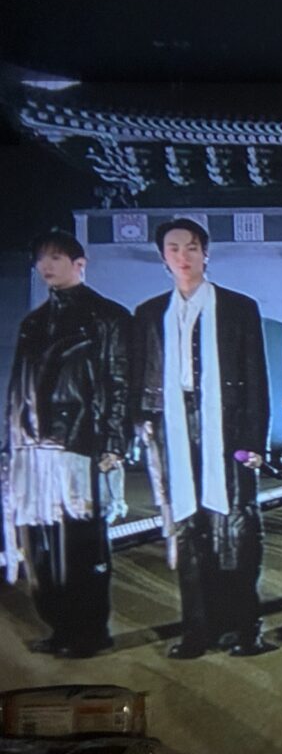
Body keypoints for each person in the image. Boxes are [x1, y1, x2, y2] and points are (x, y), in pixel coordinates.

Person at [132, 218, 271, 659]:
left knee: (236, 526)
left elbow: (256, 379)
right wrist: (142, 424)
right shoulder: (150, 313)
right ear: (163, 257)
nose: (183, 256)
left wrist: (255, 441)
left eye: (191, 247)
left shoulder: (238, 308)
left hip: (227, 426)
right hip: (174, 427)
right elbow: (141, 377)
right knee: (188, 529)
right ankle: (198, 629)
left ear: (205, 253)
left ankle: (245, 626)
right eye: (173, 249)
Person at [2, 230, 131, 658]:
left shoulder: (107, 317)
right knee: (39, 544)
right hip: (31, 446)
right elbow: (17, 388)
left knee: (79, 542)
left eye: (56, 257)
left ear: (80, 263)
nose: (46, 266)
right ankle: (59, 627)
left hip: (78, 440)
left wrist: (114, 440)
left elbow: (119, 380)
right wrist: (10, 442)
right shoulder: (34, 323)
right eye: (42, 258)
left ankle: (89, 631)